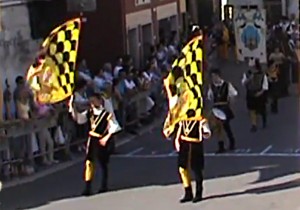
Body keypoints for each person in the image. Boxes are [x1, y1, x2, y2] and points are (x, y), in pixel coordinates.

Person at [82, 92, 114, 196]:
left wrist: (106, 138)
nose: (92, 103)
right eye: (91, 101)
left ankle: (104, 184)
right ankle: (88, 186)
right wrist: (72, 109)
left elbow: (114, 126)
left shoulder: (106, 113)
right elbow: (80, 119)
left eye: (94, 100)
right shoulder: (90, 112)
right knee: (89, 162)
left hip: (102, 138)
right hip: (92, 139)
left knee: (102, 162)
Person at [175, 118, 211, 203]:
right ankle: (188, 192)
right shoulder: (182, 119)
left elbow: (207, 133)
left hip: (196, 145)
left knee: (196, 169)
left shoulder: (201, 120)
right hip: (184, 144)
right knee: (182, 168)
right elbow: (179, 131)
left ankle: (198, 193)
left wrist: (205, 131)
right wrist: (177, 141)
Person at [207, 68, 238, 153]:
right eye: (212, 77)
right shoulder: (212, 86)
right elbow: (210, 97)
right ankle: (221, 145)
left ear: (218, 76)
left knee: (225, 126)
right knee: (219, 127)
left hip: (224, 107)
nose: (213, 78)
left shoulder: (227, 85)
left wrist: (230, 104)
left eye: (215, 76)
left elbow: (233, 94)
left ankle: (231, 141)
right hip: (216, 108)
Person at [242, 59, 268, 132]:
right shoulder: (247, 74)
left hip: (260, 94)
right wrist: (249, 79)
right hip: (250, 94)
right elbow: (243, 83)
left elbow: (265, 86)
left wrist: (260, 93)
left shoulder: (262, 75)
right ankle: (254, 125)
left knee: (262, 110)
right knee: (252, 110)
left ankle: (264, 120)